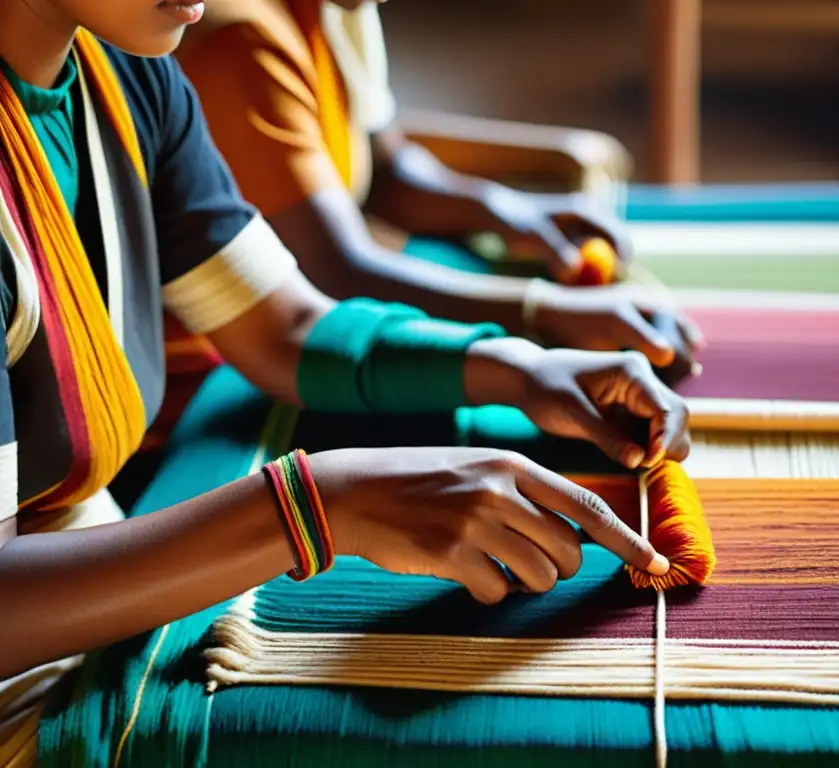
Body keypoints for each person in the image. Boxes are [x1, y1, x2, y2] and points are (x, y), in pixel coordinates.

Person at [0, 0, 687, 762]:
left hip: (86, 595)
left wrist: (522, 366)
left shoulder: (126, 80)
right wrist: (322, 505)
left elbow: (284, 328)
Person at [162, 0, 704, 445]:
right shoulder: (236, 39)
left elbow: (384, 165)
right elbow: (332, 273)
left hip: (273, 333)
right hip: (208, 374)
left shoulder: (340, 10)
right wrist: (544, 313)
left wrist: (502, 209)